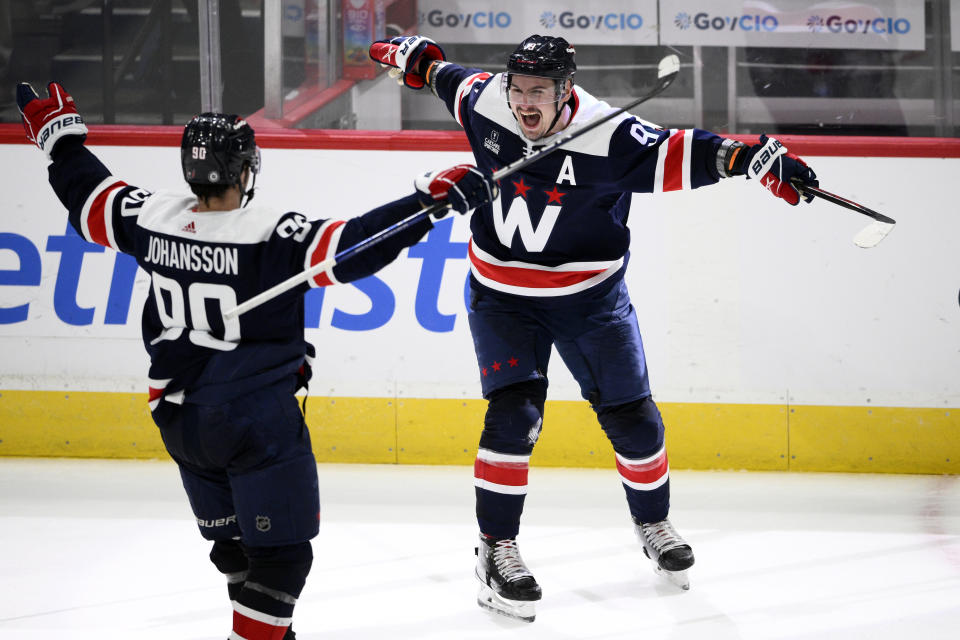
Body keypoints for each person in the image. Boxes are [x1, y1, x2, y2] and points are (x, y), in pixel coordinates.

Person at [16, 81, 497, 640]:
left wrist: (59, 135)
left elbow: (87, 193)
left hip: (181, 418)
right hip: (254, 423)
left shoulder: (149, 217)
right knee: (282, 560)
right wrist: (427, 205)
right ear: (245, 170)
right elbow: (356, 246)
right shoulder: (271, 234)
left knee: (236, 548)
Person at [369, 34, 819, 622]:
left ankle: (652, 521)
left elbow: (695, 151)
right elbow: (438, 73)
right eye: (519, 89)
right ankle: (495, 549)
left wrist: (759, 158)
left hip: (592, 301)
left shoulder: (610, 135)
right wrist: (412, 57)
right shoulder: (485, 101)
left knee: (634, 421)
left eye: (539, 92)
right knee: (513, 418)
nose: (525, 104)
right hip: (502, 298)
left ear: (565, 91)